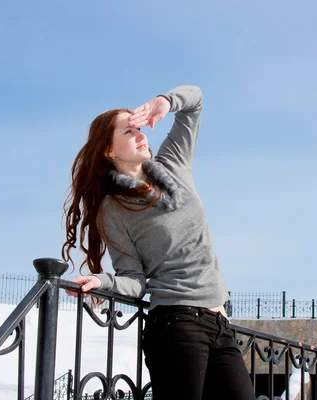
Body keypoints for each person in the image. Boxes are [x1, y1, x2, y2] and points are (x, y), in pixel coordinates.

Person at [62, 85, 255, 400]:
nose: (140, 135)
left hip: (220, 323)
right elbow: (134, 280)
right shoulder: (113, 211)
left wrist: (164, 102)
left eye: (138, 128)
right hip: (176, 327)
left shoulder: (173, 165)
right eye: (128, 131)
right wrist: (100, 281)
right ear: (108, 151)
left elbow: (195, 101)